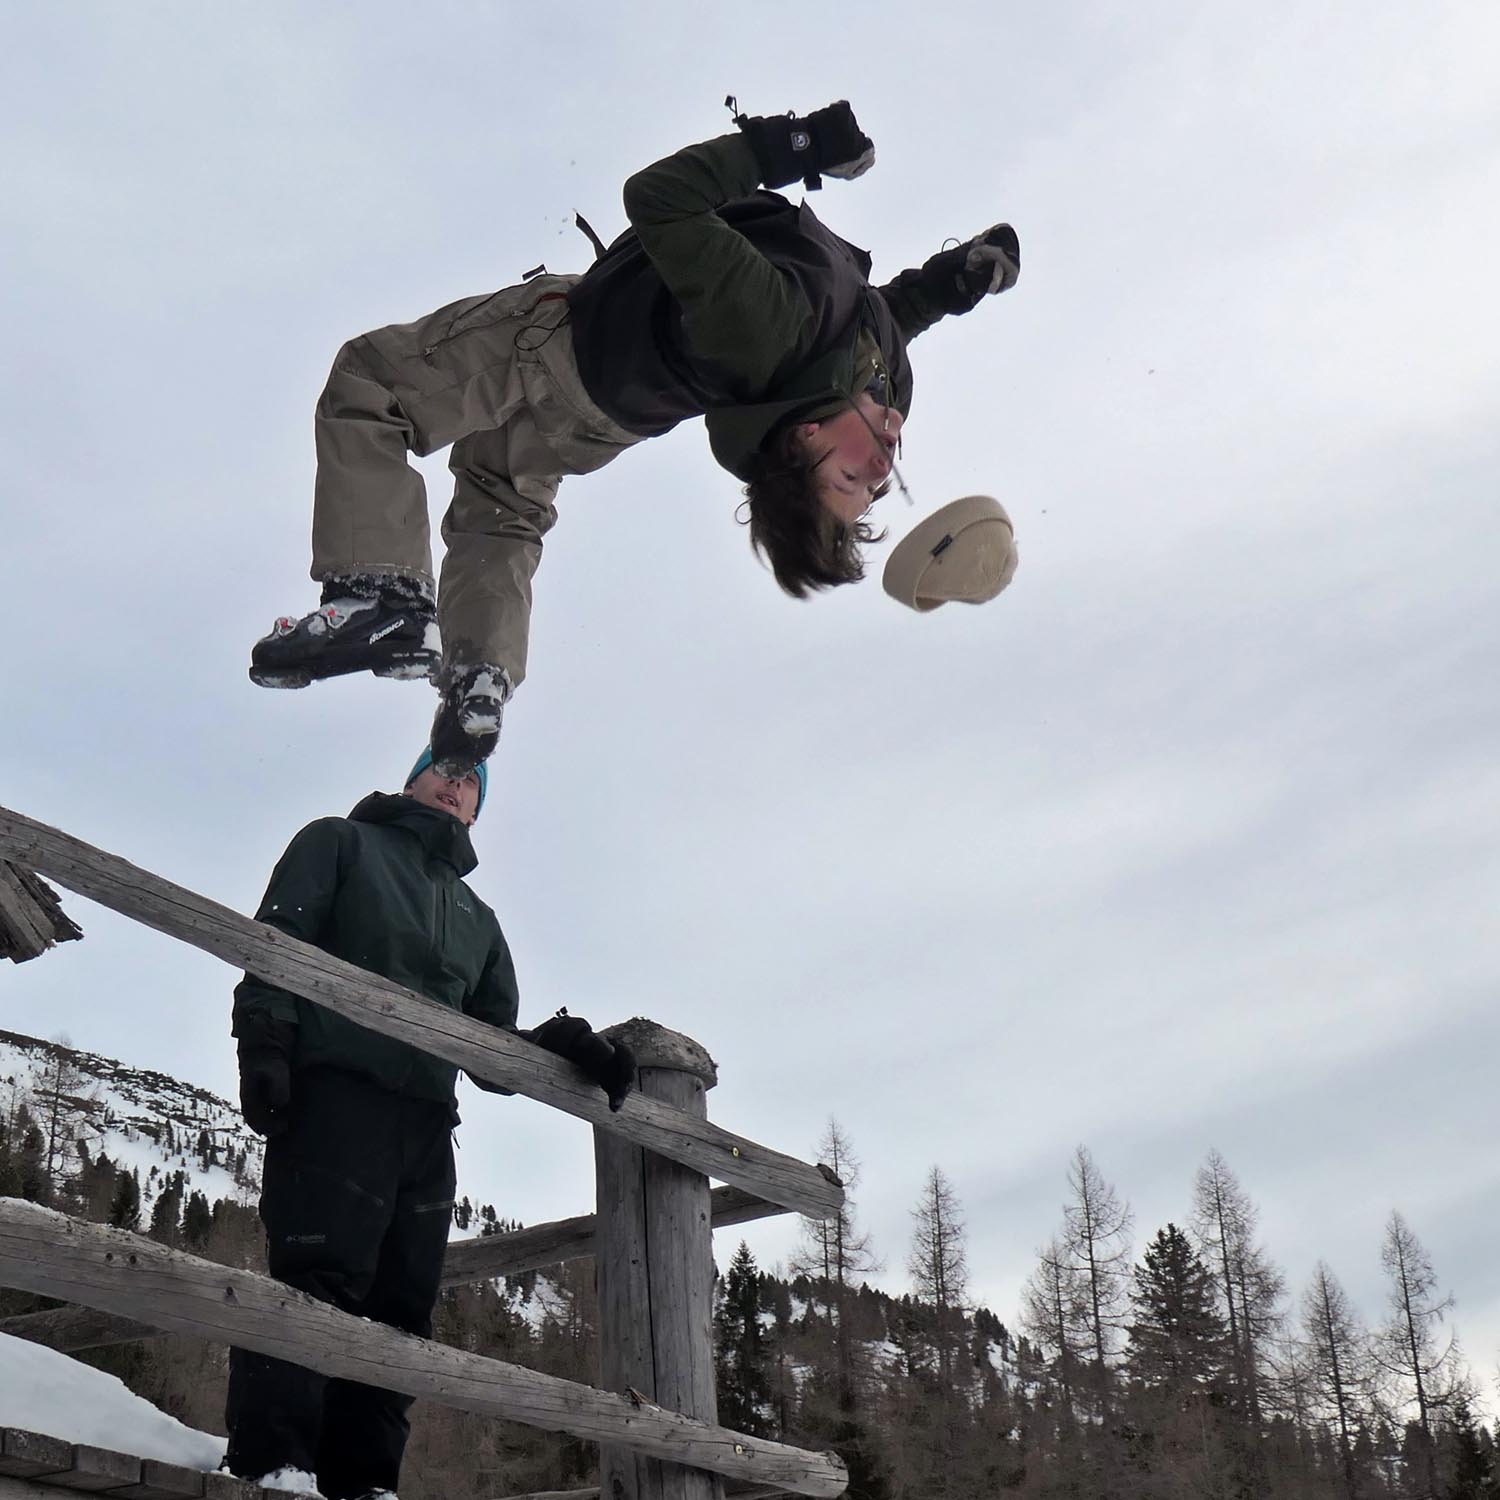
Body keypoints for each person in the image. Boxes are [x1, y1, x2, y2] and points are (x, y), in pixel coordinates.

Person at [249, 101, 1021, 773]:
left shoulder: (767, 323)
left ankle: (379, 592)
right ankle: (480, 677)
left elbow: (659, 200)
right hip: (609, 421)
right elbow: (886, 319)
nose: (882, 466)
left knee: (373, 387)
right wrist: (954, 283)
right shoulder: (883, 387)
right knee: (501, 503)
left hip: (555, 348)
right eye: (872, 489)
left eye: (850, 479)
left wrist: (796, 146)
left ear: (802, 438)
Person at [225, 748, 634, 1500]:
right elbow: (276, 945)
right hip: (338, 1098)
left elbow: (491, 1050)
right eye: (446, 767)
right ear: (413, 778)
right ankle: (274, 1470)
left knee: (402, 1311)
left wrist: (560, 1048)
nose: (457, 782)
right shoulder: (340, 842)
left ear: (478, 807)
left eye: (472, 779)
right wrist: (264, 1044)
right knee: (316, 1282)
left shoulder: (480, 921)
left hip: (427, 1128)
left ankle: (365, 1485)